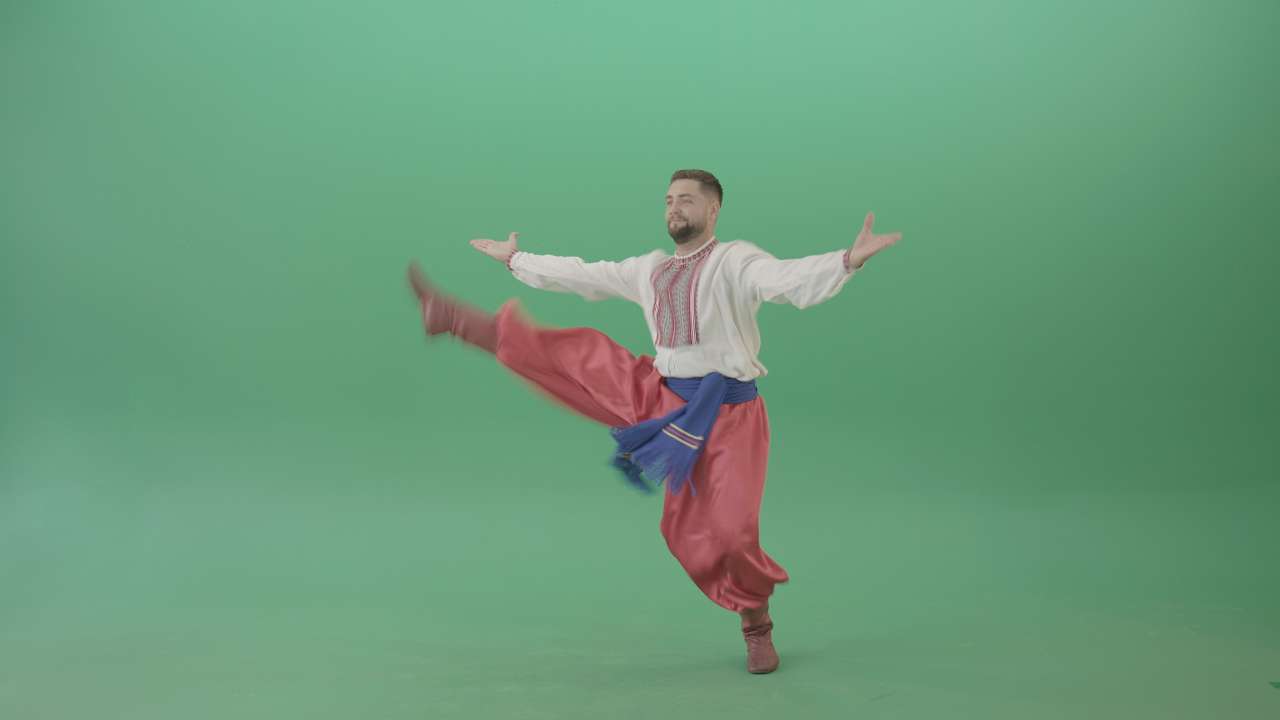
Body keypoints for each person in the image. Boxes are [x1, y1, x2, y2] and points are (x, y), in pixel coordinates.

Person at [407, 169, 902, 674]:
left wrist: (846, 260)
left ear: (713, 209)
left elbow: (783, 279)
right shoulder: (650, 269)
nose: (674, 208)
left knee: (730, 535)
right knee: (580, 355)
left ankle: (756, 625)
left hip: (728, 414)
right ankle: (454, 317)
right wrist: (517, 259)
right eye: (668, 200)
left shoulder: (736, 261)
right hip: (660, 394)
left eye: (686, 200)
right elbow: (585, 275)